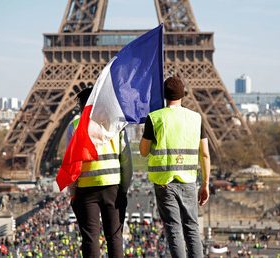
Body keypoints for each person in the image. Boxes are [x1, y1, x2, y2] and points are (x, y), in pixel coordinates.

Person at [139, 76, 210, 258]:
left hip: (164, 181)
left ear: (164, 95)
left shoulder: (155, 118)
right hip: (187, 180)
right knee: (192, 227)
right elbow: (205, 154)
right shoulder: (195, 118)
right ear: (183, 94)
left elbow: (144, 151)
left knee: (173, 228)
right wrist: (206, 183)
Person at [68, 87, 133, 258]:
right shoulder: (116, 125)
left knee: (90, 238)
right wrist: (124, 189)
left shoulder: (75, 126)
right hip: (112, 186)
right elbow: (126, 160)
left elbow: (72, 163)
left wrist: (73, 192)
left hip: (86, 189)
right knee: (115, 237)